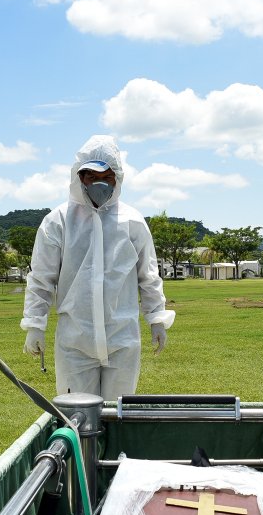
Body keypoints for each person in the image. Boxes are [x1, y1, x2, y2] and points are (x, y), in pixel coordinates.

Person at [21, 135, 174, 399]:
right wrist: (35, 323)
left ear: (118, 178)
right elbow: (41, 278)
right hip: (75, 343)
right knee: (79, 418)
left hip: (122, 340)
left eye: (107, 176)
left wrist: (156, 318)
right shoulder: (58, 221)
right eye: (91, 175)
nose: (98, 183)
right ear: (78, 177)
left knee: (118, 417)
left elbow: (148, 276)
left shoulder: (132, 222)